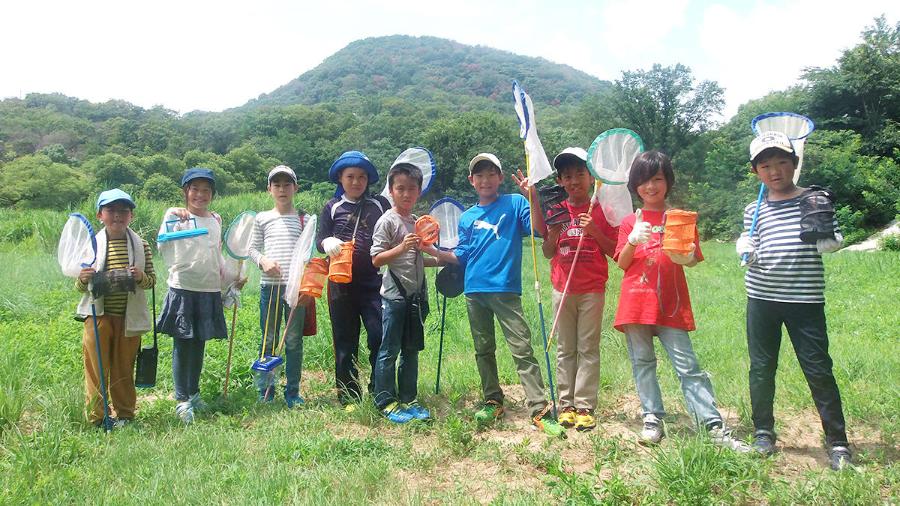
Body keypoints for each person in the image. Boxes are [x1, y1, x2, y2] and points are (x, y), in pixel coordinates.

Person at [614, 151, 747, 451]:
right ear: (635, 185)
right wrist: (633, 240)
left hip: (671, 305)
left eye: (657, 179)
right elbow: (622, 264)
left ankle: (712, 425)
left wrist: (685, 256)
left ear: (668, 182)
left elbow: (692, 260)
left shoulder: (681, 219)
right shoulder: (629, 221)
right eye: (644, 181)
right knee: (643, 363)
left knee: (688, 366)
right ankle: (651, 418)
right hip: (635, 303)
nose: (650, 187)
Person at [737, 131, 851, 470]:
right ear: (756, 171)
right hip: (761, 298)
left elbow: (831, 234)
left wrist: (834, 239)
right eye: (766, 165)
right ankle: (763, 432)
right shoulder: (753, 209)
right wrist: (746, 250)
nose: (775, 171)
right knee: (761, 368)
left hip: (805, 300)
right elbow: (752, 247)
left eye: (782, 162)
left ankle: (838, 442)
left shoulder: (814, 201)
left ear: (794, 164)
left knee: (818, 369)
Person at [430, 153, 565, 437]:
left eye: (491, 174)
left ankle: (539, 408)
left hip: (505, 289)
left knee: (522, 349)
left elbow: (539, 230)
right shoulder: (467, 217)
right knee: (483, 349)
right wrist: (433, 253)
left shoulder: (515, 204)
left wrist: (532, 197)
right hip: (474, 290)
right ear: (471, 181)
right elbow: (462, 255)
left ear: (500, 178)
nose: (485, 180)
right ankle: (492, 399)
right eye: (479, 175)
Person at [540, 148, 617, 432]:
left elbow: (614, 250)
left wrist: (595, 230)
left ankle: (585, 405)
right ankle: (566, 404)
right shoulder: (555, 209)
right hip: (562, 288)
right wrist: (555, 232)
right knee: (564, 349)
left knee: (588, 348)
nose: (574, 181)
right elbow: (548, 252)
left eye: (580, 175)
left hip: (591, 289)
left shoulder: (601, 209)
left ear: (591, 177)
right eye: (567, 176)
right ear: (560, 181)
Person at [156, 167, 235, 424]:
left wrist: (231, 279)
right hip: (183, 288)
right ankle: (181, 399)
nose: (200, 195)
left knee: (199, 342)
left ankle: (194, 392)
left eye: (206, 190)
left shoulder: (216, 220)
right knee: (182, 343)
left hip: (208, 289)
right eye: (195, 189)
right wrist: (171, 216)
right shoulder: (176, 215)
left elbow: (217, 255)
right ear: (185, 192)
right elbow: (162, 245)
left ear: (212, 194)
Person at [316, 151, 391, 409]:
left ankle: (379, 388)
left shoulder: (380, 204)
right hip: (340, 285)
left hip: (375, 283)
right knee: (345, 341)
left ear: (368, 179)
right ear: (340, 178)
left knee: (378, 335)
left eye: (361, 177)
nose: (356, 182)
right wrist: (328, 242)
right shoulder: (331, 207)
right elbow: (319, 240)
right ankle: (348, 395)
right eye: (350, 177)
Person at [76, 189, 155, 428]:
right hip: (97, 317)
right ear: (100, 215)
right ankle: (98, 417)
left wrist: (140, 276)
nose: (117, 216)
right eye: (111, 210)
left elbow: (151, 281)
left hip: (128, 318)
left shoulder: (141, 245)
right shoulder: (91, 245)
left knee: (123, 368)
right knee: (96, 370)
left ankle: (125, 415)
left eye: (124, 211)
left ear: (131, 216)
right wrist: (83, 277)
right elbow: (80, 286)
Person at [370, 162, 441, 423]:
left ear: (419, 191)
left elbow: (421, 257)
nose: (406, 194)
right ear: (391, 190)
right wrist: (401, 247)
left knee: (411, 350)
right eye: (400, 189)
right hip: (394, 296)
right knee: (389, 349)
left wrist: (441, 253)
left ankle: (408, 398)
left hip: (415, 297)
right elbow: (376, 259)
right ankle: (385, 401)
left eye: (412, 189)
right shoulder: (387, 221)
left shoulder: (417, 222)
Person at [248, 165, 310, 407]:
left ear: (295, 188)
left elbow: (308, 253)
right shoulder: (262, 218)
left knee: (294, 340)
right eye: (277, 185)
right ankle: (266, 390)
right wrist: (263, 261)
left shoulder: (303, 218)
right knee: (269, 338)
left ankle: (292, 392)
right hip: (269, 286)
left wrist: (305, 285)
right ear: (269, 189)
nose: (282, 189)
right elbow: (251, 250)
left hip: (295, 289)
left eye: (287, 184)